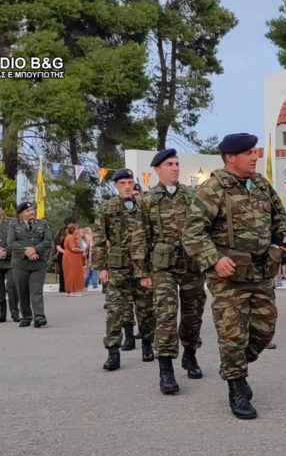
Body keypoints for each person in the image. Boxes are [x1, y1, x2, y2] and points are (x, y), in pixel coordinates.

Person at [183, 133, 286, 419]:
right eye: (249, 153)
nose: (255, 157)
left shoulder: (260, 185)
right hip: (227, 279)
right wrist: (215, 260)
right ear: (231, 157)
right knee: (232, 335)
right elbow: (192, 234)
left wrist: (284, 237)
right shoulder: (212, 190)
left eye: (255, 152)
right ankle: (237, 385)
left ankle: (236, 367)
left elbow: (281, 218)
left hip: (261, 272)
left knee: (265, 330)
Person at [131, 148, 207, 394]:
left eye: (177, 164)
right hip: (162, 267)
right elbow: (139, 238)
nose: (175, 168)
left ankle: (190, 354)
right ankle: (166, 370)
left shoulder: (191, 196)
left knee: (193, 314)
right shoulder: (148, 200)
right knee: (165, 315)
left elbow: (203, 229)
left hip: (191, 264)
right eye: (170, 165)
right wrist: (143, 272)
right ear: (157, 169)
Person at [96, 169, 156, 368]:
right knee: (115, 310)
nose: (127, 186)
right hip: (117, 266)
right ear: (115, 185)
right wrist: (101, 267)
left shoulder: (144, 206)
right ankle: (113, 351)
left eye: (130, 182)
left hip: (141, 267)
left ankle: (147, 344)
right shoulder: (107, 207)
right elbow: (98, 239)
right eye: (123, 183)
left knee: (146, 308)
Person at [8, 202, 52, 328]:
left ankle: (39, 316)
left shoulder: (42, 224)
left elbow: (48, 241)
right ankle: (26, 316)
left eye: (32, 209)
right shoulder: (13, 225)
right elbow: (11, 242)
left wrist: (35, 250)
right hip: (20, 264)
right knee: (22, 291)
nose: (31, 212)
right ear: (21, 214)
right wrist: (26, 251)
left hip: (38, 263)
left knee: (36, 290)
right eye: (27, 211)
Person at [61, 222, 85, 296]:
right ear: (73, 230)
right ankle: (71, 291)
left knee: (72, 274)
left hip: (71, 257)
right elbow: (73, 248)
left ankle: (72, 290)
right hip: (71, 258)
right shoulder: (70, 237)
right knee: (71, 274)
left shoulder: (70, 237)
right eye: (77, 229)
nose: (78, 230)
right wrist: (81, 250)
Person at [52, 223, 68, 294]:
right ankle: (63, 287)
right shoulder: (60, 238)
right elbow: (58, 247)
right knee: (63, 271)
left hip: (63, 255)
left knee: (64, 271)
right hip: (62, 255)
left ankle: (64, 287)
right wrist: (66, 252)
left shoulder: (63, 237)